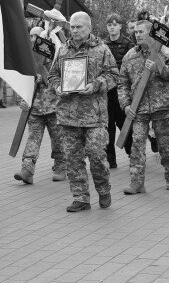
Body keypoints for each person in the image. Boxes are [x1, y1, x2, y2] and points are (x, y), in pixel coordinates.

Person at [48, 11, 118, 212]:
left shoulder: (102, 50)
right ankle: (80, 197)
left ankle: (104, 190)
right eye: (72, 26)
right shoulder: (62, 50)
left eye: (79, 27)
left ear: (89, 28)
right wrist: (57, 87)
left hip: (93, 116)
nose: (75, 30)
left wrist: (96, 85)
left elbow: (114, 75)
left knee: (96, 156)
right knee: (73, 160)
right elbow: (53, 75)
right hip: (68, 116)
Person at [118, 20, 169, 193]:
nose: (137, 35)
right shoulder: (130, 55)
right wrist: (125, 104)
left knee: (164, 145)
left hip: (161, 106)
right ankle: (136, 182)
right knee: (137, 144)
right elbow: (122, 83)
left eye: (141, 32)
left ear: (150, 33)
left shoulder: (163, 51)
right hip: (138, 108)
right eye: (136, 32)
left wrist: (159, 68)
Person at [15, 27, 66, 184]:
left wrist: (43, 78)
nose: (32, 39)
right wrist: (20, 99)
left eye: (35, 36)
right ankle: (27, 169)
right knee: (33, 139)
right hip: (34, 108)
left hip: (53, 106)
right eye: (30, 35)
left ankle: (60, 166)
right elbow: (19, 81)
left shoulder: (55, 55)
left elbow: (60, 80)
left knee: (58, 139)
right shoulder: (26, 57)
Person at [103, 13, 134, 168]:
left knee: (125, 124)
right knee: (107, 126)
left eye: (115, 24)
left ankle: (132, 153)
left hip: (122, 92)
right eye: (109, 24)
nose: (112, 27)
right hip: (107, 92)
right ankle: (110, 160)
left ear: (121, 26)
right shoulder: (102, 45)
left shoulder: (129, 44)